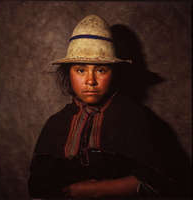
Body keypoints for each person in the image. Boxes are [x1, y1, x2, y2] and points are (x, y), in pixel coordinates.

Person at [28, 15, 190, 200]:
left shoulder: (135, 118)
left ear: (114, 73)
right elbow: (38, 189)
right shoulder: (55, 124)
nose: (90, 80)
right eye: (81, 70)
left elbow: (162, 183)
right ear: (68, 73)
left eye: (101, 70)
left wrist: (90, 190)